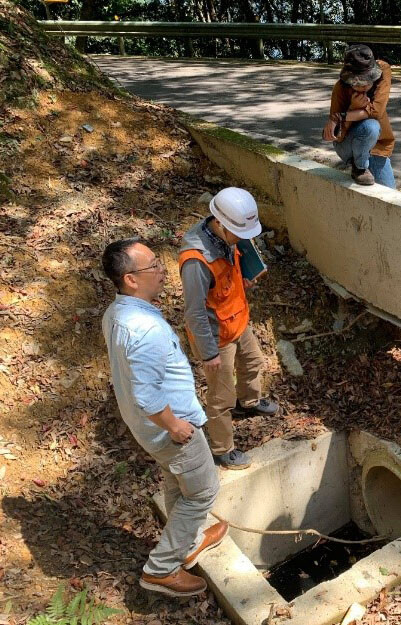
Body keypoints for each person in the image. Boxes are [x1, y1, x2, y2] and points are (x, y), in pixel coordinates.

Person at [101, 238, 227, 597]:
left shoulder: (118, 313)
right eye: (153, 266)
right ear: (130, 280)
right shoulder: (145, 329)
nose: (162, 270)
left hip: (151, 429)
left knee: (177, 485)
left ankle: (188, 542)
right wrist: (176, 426)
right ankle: (160, 570)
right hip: (171, 430)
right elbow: (148, 395)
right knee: (202, 492)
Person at [179, 187, 279, 471]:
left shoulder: (227, 235)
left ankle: (248, 402)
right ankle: (223, 450)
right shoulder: (196, 261)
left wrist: (243, 279)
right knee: (220, 397)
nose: (242, 238)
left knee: (253, 362)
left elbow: (225, 279)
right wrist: (209, 353)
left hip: (237, 320)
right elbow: (195, 312)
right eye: (238, 233)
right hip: (216, 336)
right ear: (220, 223)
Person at [322, 44, 396, 188]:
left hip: (377, 145)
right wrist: (353, 107)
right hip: (348, 145)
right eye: (357, 83)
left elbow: (377, 111)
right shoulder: (340, 89)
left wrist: (341, 116)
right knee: (371, 126)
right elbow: (339, 136)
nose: (363, 87)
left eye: (367, 81)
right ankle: (359, 167)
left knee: (390, 192)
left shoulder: (383, 71)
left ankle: (365, 162)